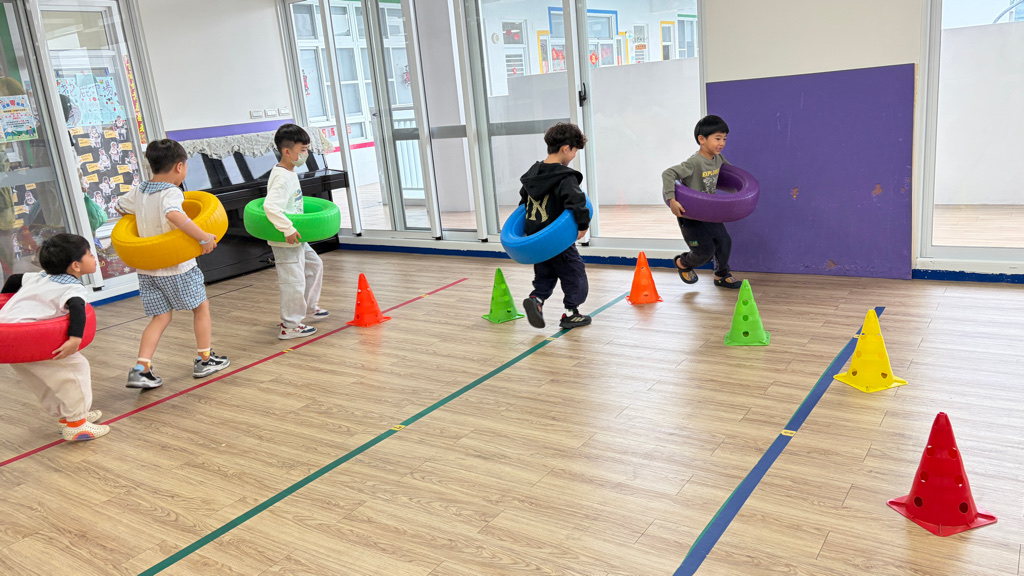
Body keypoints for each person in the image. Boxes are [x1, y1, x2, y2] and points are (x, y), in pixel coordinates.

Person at [115, 139, 229, 388]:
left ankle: (141, 368)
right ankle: (205, 359)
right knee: (201, 307)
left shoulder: (141, 190)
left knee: (160, 317)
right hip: (178, 267)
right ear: (179, 166)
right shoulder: (171, 192)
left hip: (148, 270)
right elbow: (173, 214)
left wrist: (144, 217)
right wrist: (203, 238)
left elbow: (119, 207)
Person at [0, 234, 109, 441]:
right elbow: (77, 307)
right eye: (89, 254)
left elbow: (13, 280)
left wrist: (6, 301)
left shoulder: (41, 276)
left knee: (45, 380)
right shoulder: (72, 288)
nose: (94, 258)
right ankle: (77, 425)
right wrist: (74, 340)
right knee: (76, 369)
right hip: (31, 339)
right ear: (76, 266)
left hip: (8, 340)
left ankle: (68, 416)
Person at [519, 122, 592, 330]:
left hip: (537, 239)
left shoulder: (532, 173)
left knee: (545, 273)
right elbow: (577, 202)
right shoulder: (565, 177)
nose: (574, 156)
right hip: (557, 239)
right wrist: (583, 225)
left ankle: (536, 299)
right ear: (566, 148)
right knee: (574, 272)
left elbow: (523, 204)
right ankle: (571, 313)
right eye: (575, 151)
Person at [661, 114, 742, 288]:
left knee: (724, 242)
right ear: (702, 139)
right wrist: (672, 200)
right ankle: (683, 263)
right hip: (690, 215)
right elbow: (668, 174)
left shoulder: (718, 159)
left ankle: (721, 275)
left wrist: (742, 191)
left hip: (709, 212)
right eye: (717, 138)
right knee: (705, 251)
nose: (722, 143)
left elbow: (733, 175)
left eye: (724, 139)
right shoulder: (694, 162)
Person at [263, 124, 328, 340]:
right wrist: (288, 228)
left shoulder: (289, 172)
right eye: (303, 150)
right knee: (293, 281)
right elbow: (270, 207)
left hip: (296, 236)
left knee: (314, 264)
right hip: (286, 239)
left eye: (307, 149)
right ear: (287, 151)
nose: (306, 154)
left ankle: (308, 306)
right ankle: (290, 325)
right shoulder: (282, 177)